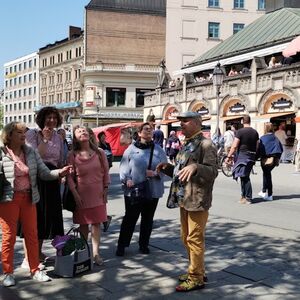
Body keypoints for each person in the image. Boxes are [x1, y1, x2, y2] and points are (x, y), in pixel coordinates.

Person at [0, 122, 71, 287]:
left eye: (24, 132)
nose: (23, 135)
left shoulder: (30, 152)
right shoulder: (2, 152)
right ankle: (8, 273)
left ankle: (35, 270)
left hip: (29, 198)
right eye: (19, 132)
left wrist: (58, 173)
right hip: (8, 200)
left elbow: (44, 172)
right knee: (8, 237)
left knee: (32, 234)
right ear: (9, 135)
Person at [156, 112, 218, 292]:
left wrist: (196, 166)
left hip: (198, 199)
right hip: (184, 197)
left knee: (195, 239)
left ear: (198, 123)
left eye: (185, 121)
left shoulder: (206, 144)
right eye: (180, 121)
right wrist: (168, 168)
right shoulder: (188, 143)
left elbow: (213, 171)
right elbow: (182, 172)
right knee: (186, 237)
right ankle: (197, 269)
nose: (181, 124)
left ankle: (196, 278)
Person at [116, 122, 168, 256]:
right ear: (139, 133)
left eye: (151, 129)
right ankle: (122, 245)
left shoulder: (159, 150)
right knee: (130, 218)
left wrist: (156, 174)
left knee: (148, 219)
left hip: (152, 190)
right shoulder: (131, 149)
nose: (149, 131)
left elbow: (165, 169)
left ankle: (144, 244)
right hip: (134, 190)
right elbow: (123, 168)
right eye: (145, 129)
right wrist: (126, 179)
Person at [25, 106, 65, 263]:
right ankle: (32, 255)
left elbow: (60, 157)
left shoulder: (59, 136)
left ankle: (41, 253)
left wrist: (62, 171)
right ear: (42, 119)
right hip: (38, 178)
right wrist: (46, 139)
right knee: (39, 216)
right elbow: (34, 156)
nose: (52, 120)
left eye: (55, 118)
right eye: (49, 117)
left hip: (53, 177)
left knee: (52, 217)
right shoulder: (32, 134)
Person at [67, 126, 110, 266]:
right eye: (79, 131)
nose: (83, 132)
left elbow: (106, 172)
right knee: (83, 225)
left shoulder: (99, 152)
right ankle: (84, 252)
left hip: (98, 193)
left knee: (96, 224)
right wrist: (75, 194)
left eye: (85, 130)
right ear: (75, 137)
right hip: (81, 195)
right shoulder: (72, 155)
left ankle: (96, 253)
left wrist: (105, 189)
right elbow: (70, 177)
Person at [226, 115, 259, 204]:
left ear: (242, 121)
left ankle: (248, 198)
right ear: (250, 121)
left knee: (245, 177)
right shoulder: (255, 132)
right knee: (243, 176)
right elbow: (257, 145)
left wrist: (229, 156)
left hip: (243, 156)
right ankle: (243, 196)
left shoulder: (240, 132)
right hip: (251, 156)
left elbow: (235, 145)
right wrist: (254, 155)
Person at [257, 123, 283, 201]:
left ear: (265, 129)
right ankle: (264, 191)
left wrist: (255, 158)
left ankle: (269, 194)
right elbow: (280, 149)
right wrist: (277, 159)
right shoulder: (275, 138)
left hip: (265, 159)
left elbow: (259, 149)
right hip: (273, 160)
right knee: (266, 174)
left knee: (267, 175)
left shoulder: (263, 138)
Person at [97, 131, 113, 232]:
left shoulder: (106, 145)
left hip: (103, 171)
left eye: (104, 136)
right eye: (102, 136)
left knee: (100, 201)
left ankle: (104, 219)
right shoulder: (98, 146)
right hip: (98, 174)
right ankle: (104, 219)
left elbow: (110, 153)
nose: (104, 138)